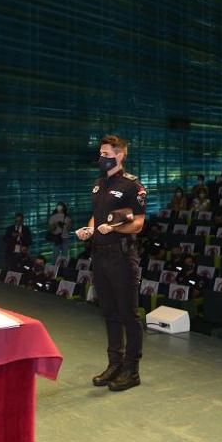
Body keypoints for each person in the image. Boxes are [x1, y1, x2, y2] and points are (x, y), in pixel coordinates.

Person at [76, 135, 146, 392]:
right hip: (100, 255)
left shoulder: (132, 186)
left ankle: (132, 370)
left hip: (122, 256)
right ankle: (114, 363)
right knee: (109, 312)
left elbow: (138, 223)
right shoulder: (98, 184)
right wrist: (90, 229)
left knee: (128, 313)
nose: (101, 158)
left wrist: (115, 227)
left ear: (120, 155)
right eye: (100, 153)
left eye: (106, 153)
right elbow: (96, 217)